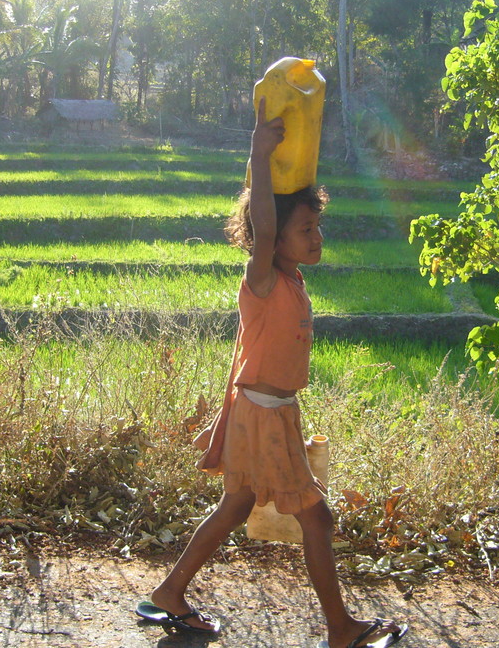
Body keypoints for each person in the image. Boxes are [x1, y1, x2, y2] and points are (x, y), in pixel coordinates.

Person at [135, 99, 409, 648]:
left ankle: (169, 593)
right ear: (273, 239)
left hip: (268, 413)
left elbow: (274, 228)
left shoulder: (291, 282)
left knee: (235, 505)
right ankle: (341, 631)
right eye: (305, 228)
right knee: (318, 520)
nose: (318, 236)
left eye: (318, 225)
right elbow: (263, 220)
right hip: (261, 414)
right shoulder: (261, 281)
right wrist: (260, 158)